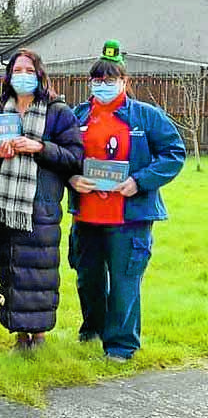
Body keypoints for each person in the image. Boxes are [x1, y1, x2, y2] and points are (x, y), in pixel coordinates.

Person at [67, 40, 185, 363]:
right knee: (87, 276)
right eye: (98, 80)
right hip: (86, 216)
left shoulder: (146, 117)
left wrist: (140, 181)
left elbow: (175, 154)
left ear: (124, 81)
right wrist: (72, 179)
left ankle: (121, 345)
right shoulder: (77, 115)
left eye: (110, 79)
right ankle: (93, 327)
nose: (103, 85)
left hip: (128, 218)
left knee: (124, 280)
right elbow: (63, 157)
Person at [0, 49, 83, 352]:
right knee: (8, 268)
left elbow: (75, 157)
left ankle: (38, 335)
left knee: (38, 272)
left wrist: (40, 147)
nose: (22, 76)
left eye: (29, 70)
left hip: (40, 206)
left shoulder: (58, 112)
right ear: (9, 76)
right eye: (17, 70)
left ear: (39, 74)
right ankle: (18, 333)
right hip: (5, 207)